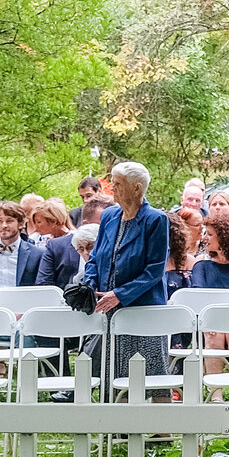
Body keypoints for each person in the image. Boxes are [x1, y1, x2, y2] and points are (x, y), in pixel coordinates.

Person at [83, 161, 172, 393]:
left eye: (118, 183)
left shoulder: (155, 220)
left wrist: (120, 294)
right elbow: (95, 257)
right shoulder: (109, 216)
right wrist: (90, 285)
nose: (113, 188)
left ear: (137, 189)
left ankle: (162, 429)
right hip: (108, 307)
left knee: (151, 373)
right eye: (112, 182)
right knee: (114, 371)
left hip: (143, 307)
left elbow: (155, 270)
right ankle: (117, 427)